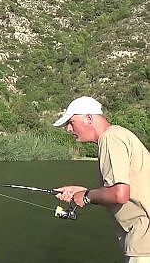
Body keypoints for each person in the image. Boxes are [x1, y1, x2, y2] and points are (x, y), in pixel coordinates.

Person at [53, 96, 150, 263]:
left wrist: (86, 196)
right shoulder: (119, 135)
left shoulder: (110, 138)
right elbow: (122, 189)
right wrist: (82, 191)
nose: (68, 129)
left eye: (71, 122)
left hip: (143, 242)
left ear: (89, 118)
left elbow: (120, 195)